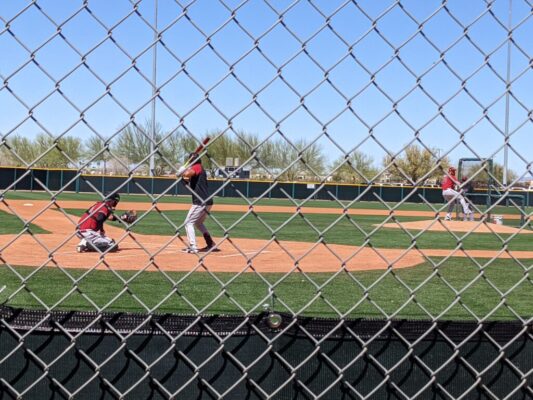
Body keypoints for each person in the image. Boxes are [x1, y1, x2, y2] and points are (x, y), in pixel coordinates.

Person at [177, 153, 217, 253]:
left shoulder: (197, 167)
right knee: (198, 223)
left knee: (188, 222)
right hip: (206, 201)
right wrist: (180, 178)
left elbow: (187, 173)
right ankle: (210, 244)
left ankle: (193, 246)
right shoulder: (196, 171)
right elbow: (190, 187)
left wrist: (182, 171)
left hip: (201, 201)